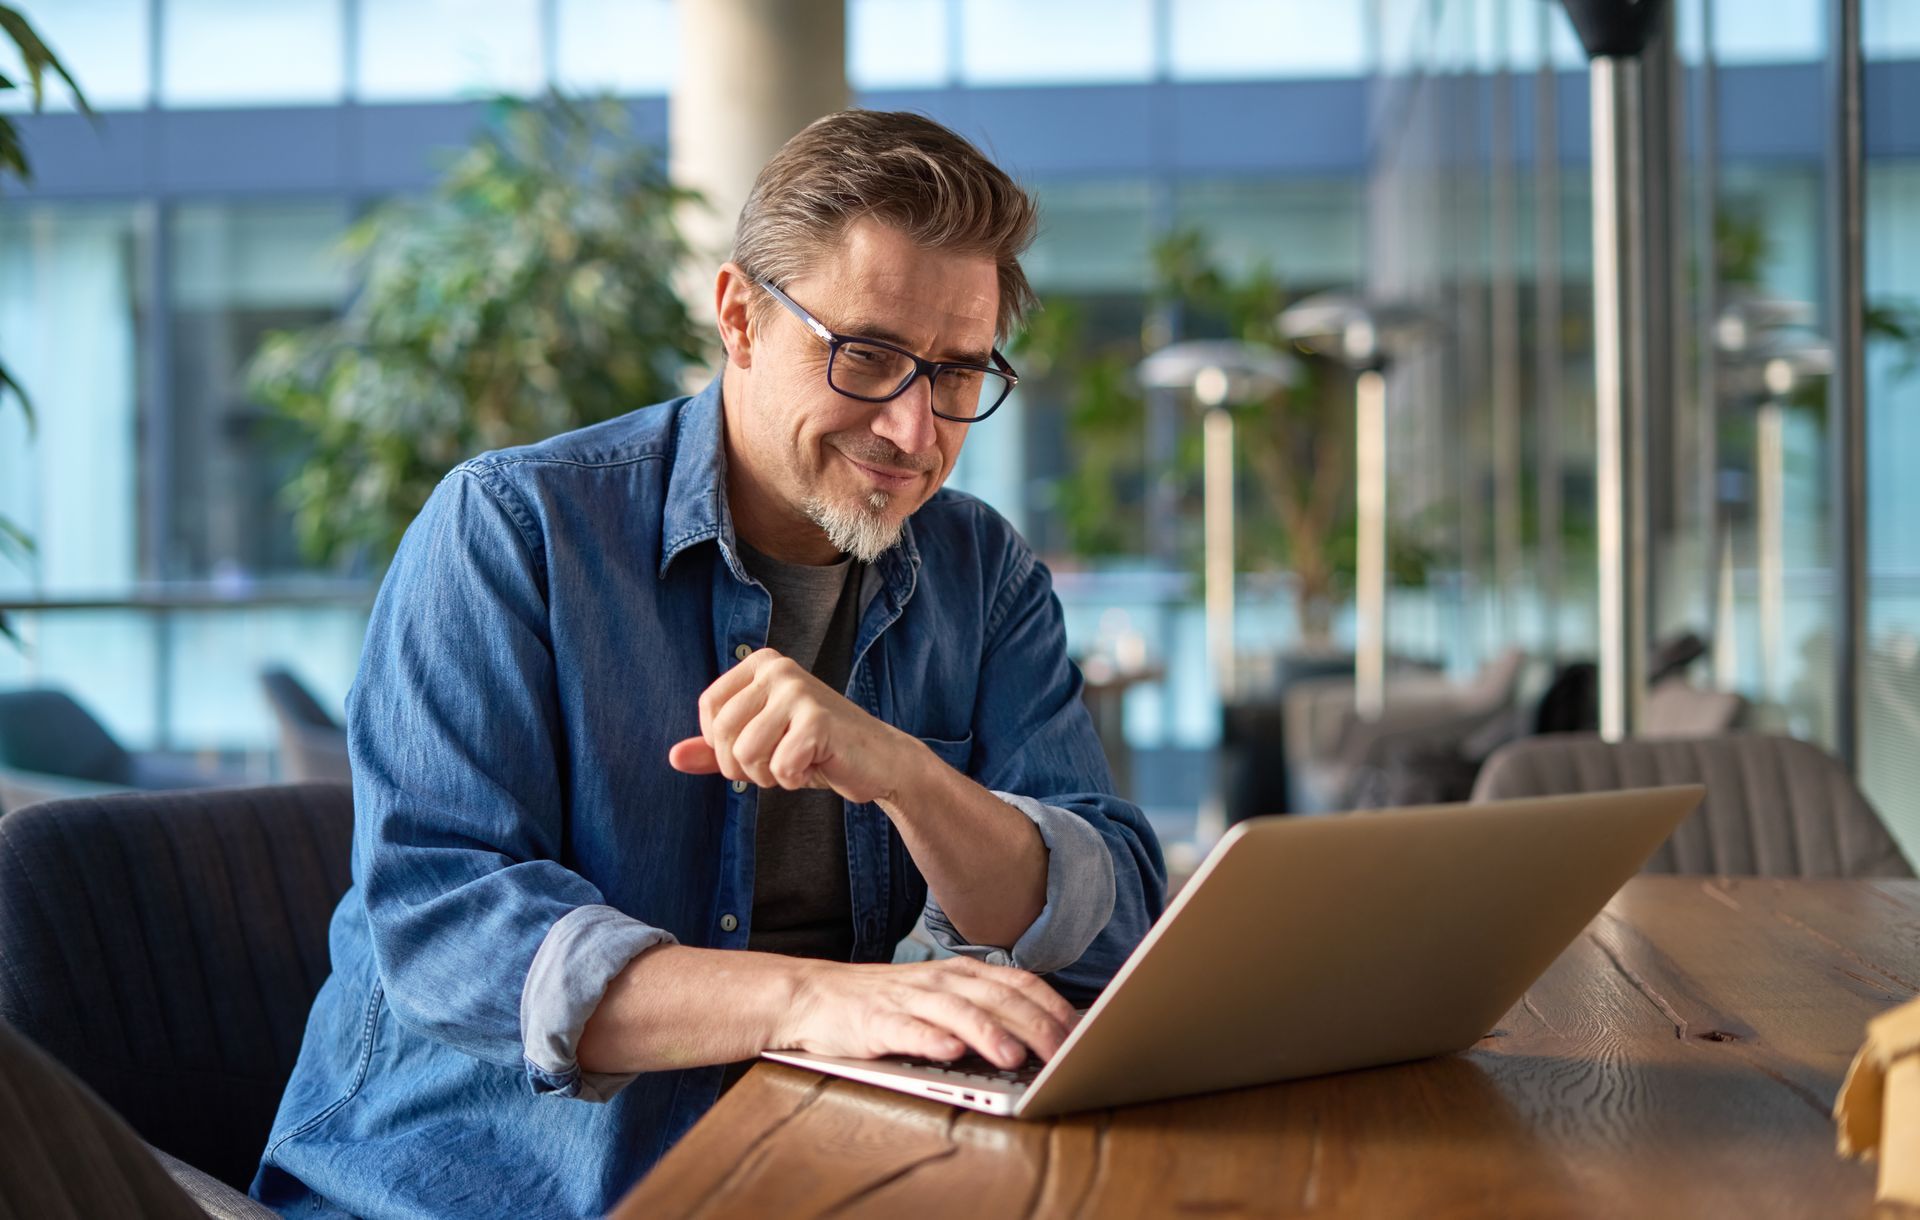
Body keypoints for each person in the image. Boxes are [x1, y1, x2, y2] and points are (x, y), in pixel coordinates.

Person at [253, 109, 1166, 1219]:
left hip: (821, 1163)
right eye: (869, 357)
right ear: (738, 316)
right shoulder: (511, 530)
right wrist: (817, 1000)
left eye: (958, 374)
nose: (915, 431)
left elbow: (1110, 916)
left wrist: (909, 777)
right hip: (472, 1189)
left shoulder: (984, 571)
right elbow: (451, 929)